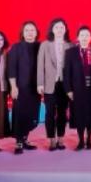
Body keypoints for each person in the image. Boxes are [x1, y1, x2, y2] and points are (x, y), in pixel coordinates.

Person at [64, 26, 91, 150]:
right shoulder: (70, 52)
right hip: (77, 89)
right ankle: (81, 140)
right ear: (78, 37)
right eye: (82, 35)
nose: (84, 37)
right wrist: (68, 89)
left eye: (87, 35)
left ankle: (89, 140)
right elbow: (67, 72)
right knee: (79, 115)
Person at [36, 18, 70, 151]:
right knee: (50, 112)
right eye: (57, 27)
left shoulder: (70, 45)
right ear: (52, 30)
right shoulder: (45, 45)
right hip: (49, 84)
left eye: (62, 27)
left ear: (65, 30)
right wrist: (40, 83)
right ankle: (51, 140)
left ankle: (61, 138)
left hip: (65, 85)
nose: (59, 30)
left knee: (62, 112)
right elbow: (40, 65)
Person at [7, 21, 41, 155]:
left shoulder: (40, 46)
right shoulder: (16, 47)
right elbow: (11, 68)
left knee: (32, 114)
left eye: (32, 30)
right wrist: (13, 86)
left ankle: (25, 139)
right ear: (22, 33)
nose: (30, 33)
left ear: (36, 33)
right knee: (20, 114)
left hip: (35, 88)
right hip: (20, 87)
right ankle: (19, 142)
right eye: (27, 30)